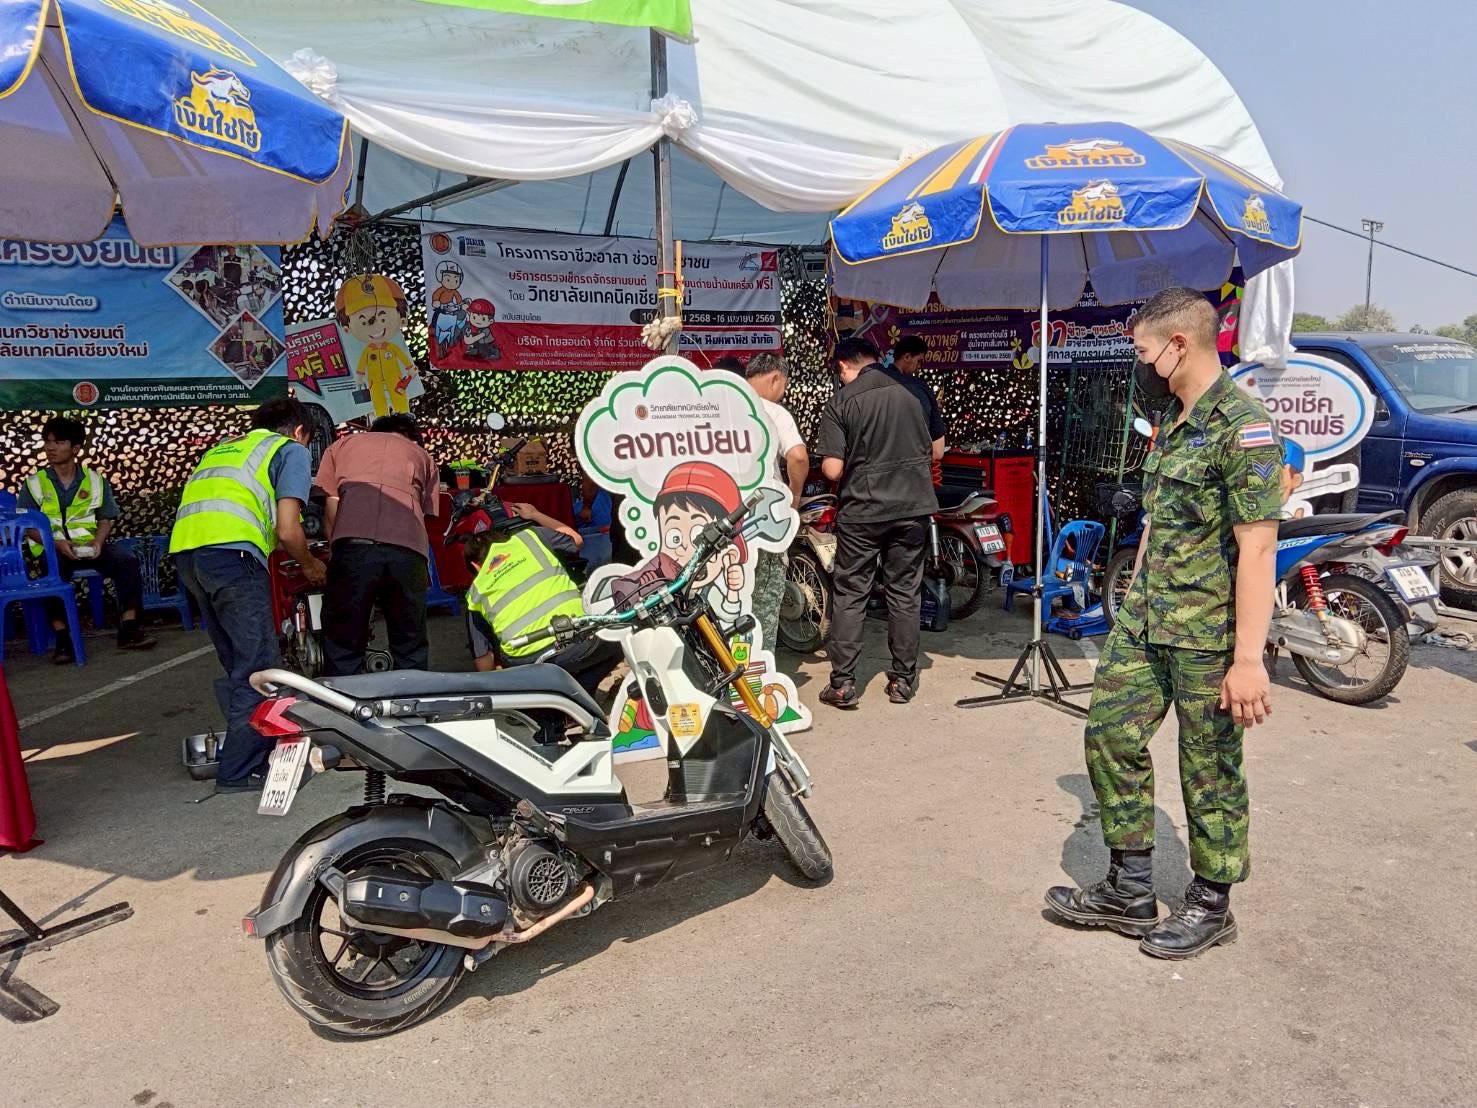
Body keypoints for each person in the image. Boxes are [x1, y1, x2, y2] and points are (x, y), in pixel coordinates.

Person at [1044, 287, 1281, 960]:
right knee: (1109, 734)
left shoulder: (1243, 427)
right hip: (1145, 620)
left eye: (1144, 351)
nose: (1140, 364)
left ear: (1178, 345)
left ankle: (1211, 902)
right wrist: (1128, 597)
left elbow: (1258, 547)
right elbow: (1156, 521)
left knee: (1208, 766)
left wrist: (1247, 660)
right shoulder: (1173, 420)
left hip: (1206, 634)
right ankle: (1129, 889)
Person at [169, 398, 326, 793]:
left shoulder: (226, 449)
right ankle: (240, 771)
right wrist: (310, 564)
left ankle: (251, 746)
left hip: (188, 556)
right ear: (300, 432)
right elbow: (288, 529)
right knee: (257, 669)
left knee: (237, 662)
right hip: (232, 558)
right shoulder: (288, 449)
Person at [815, 337, 935, 707]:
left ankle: (843, 684)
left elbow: (832, 469)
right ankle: (903, 681)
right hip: (912, 507)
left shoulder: (842, 402)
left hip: (863, 512)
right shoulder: (915, 391)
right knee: (905, 593)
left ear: (843, 366)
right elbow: (938, 450)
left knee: (852, 594)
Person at [19, 416, 156, 661]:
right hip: (54, 548)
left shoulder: (95, 480)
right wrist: (57, 544)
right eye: (47, 442)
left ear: (76, 448)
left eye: (58, 442)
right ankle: (63, 639)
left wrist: (98, 543)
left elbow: (105, 518)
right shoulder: (33, 483)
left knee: (127, 562)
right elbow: (28, 526)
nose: (50, 447)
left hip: (91, 546)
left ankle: (130, 628)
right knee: (50, 571)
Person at [313, 414, 440, 676]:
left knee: (344, 641)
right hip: (408, 551)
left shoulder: (341, 446)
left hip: (354, 547)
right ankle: (412, 696)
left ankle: (346, 698)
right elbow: (424, 514)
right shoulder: (422, 456)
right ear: (411, 437)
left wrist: (337, 554)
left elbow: (331, 506)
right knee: (410, 642)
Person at [462, 501, 616, 696]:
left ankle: (563, 696)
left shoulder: (474, 593)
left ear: (475, 566)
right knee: (623, 634)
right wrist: (535, 514)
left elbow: (483, 661)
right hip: (577, 642)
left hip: (525, 663)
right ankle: (581, 691)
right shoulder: (530, 537)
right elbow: (576, 540)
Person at [744, 353, 808, 652]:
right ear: (775, 378)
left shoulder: (719, 407)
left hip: (719, 522)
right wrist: (794, 496)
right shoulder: (771, 411)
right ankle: (759, 665)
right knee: (764, 601)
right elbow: (797, 456)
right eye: (784, 385)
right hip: (763, 521)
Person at [336, 274, 413, 418]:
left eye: (383, 319)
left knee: (398, 394)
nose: (375, 326)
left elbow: (402, 357)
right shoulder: (367, 351)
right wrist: (359, 376)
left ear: (402, 319)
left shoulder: (391, 347)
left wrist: (410, 368)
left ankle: (403, 412)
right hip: (374, 380)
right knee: (377, 397)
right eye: (364, 322)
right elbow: (362, 364)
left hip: (394, 377)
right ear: (347, 329)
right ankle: (381, 416)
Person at [886, 335, 948, 465]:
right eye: (919, 361)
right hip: (913, 470)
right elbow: (937, 451)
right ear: (907, 357)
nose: (919, 366)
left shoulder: (868, 387)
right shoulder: (921, 389)